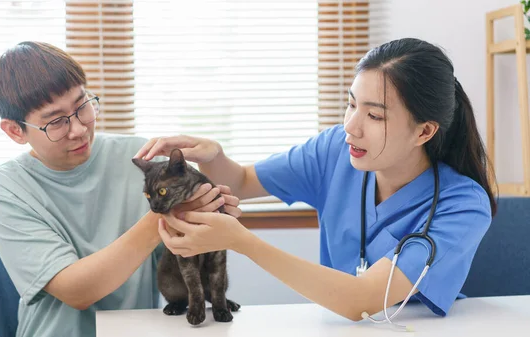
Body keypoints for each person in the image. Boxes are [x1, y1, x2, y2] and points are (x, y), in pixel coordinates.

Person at [134, 38, 497, 324]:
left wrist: (242, 242)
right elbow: (243, 181)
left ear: (425, 131)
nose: (351, 126)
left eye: (373, 115)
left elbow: (363, 300)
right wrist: (216, 158)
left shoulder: (462, 205)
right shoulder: (336, 150)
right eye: (351, 104)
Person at [0, 41, 241, 337]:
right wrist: (170, 213)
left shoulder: (138, 158)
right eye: (56, 122)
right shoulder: (4, 189)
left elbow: (183, 255)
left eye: (82, 106)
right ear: (15, 130)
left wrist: (210, 215)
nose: (78, 129)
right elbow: (76, 291)